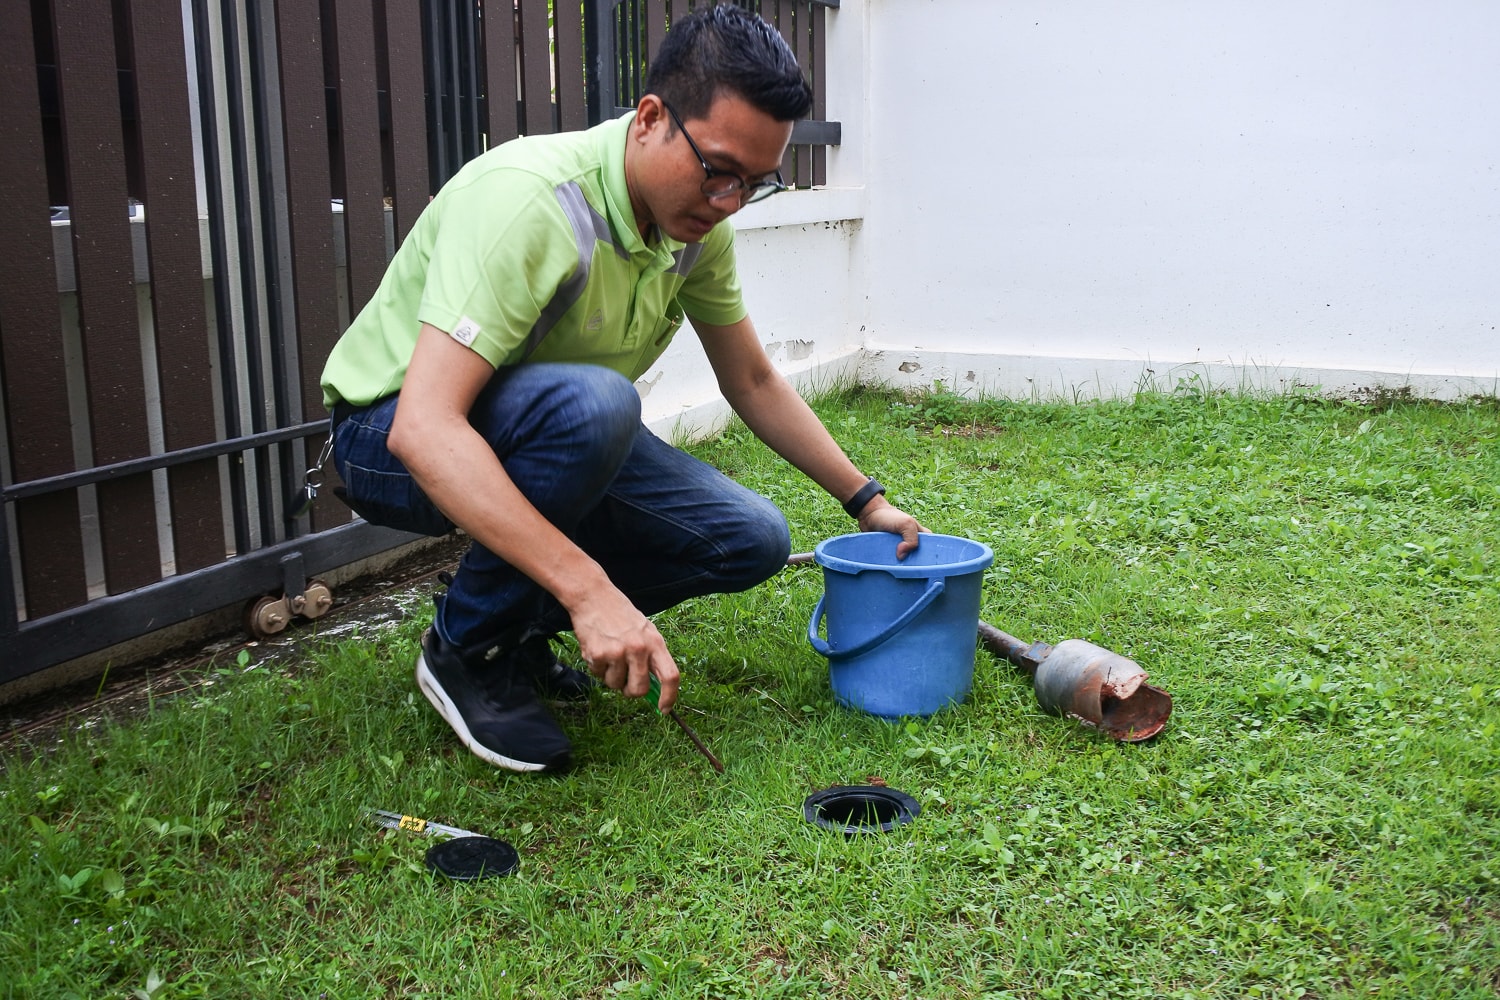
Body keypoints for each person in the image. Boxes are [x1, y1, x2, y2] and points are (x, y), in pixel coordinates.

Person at [319, 3, 922, 774]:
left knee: (751, 539)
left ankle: (511, 621)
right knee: (599, 409)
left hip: (549, 431)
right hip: (388, 433)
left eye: (753, 184)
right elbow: (424, 428)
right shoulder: (530, 203)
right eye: (718, 171)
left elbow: (751, 378)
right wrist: (589, 590)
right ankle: (469, 650)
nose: (729, 203)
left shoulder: (697, 230)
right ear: (650, 119)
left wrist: (865, 501)